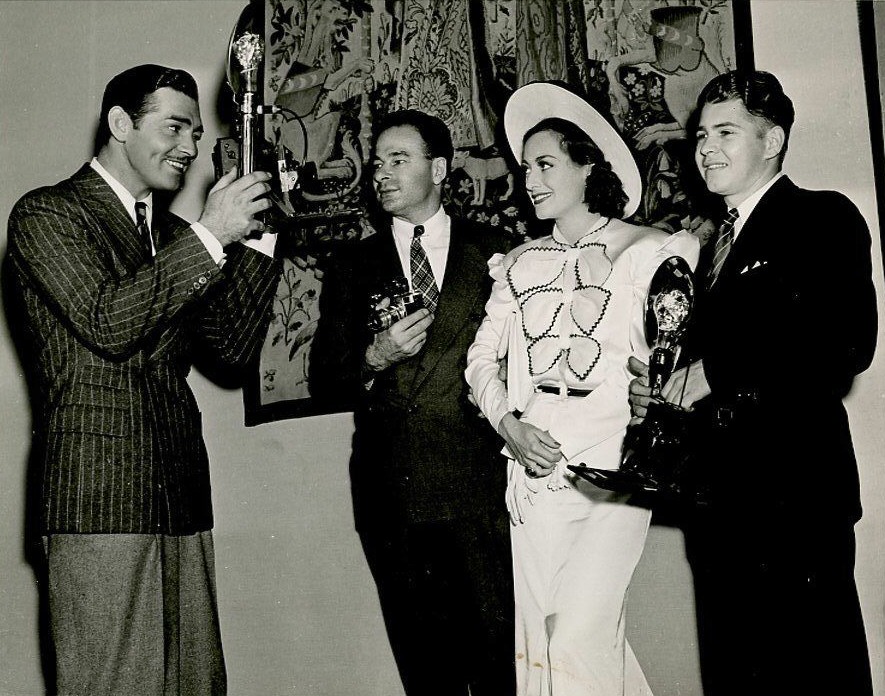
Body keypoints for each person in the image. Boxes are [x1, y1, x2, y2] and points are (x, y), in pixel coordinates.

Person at [7, 64, 282, 695]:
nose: (189, 148)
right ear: (120, 124)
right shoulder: (48, 214)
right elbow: (108, 321)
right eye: (174, 127)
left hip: (180, 496)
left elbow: (232, 350)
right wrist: (212, 235)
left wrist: (259, 237)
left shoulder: (177, 237)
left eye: (196, 132)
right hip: (97, 503)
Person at [628, 70, 877, 695]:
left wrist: (709, 374)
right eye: (701, 135)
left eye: (726, 132)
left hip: (794, 502)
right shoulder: (710, 246)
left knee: (815, 676)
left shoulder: (821, 216)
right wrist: (662, 392)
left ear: (773, 141)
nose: (705, 148)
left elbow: (846, 345)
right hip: (719, 503)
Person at [464, 82, 699, 696]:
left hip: (613, 471)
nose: (530, 181)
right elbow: (480, 360)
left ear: (588, 164)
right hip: (533, 471)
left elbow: (678, 362)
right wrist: (509, 427)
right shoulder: (515, 264)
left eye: (545, 165)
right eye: (526, 169)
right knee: (545, 645)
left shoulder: (650, 251)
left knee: (578, 636)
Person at [309, 109, 515, 696]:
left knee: (500, 663)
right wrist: (373, 355)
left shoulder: (499, 254)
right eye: (377, 163)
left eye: (399, 159)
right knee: (426, 670)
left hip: (482, 488)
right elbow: (325, 377)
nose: (382, 174)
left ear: (440, 168)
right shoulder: (352, 265)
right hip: (392, 492)